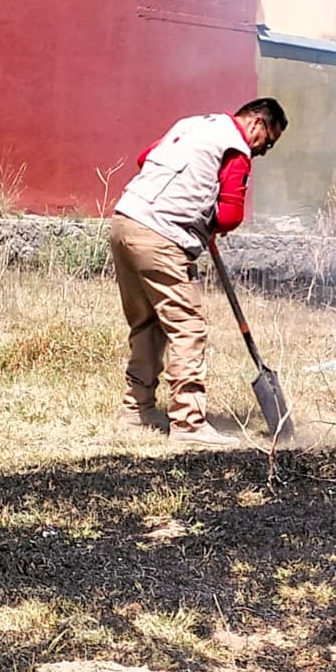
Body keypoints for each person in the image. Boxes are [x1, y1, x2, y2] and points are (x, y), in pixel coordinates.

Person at [108, 98, 288, 446]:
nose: (263, 152)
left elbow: (145, 158)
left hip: (125, 221)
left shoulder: (191, 124)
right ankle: (189, 424)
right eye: (267, 143)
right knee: (187, 327)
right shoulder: (237, 147)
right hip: (161, 235)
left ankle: (137, 410)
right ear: (256, 124)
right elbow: (231, 215)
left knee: (147, 322)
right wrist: (211, 218)